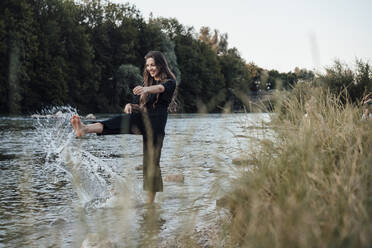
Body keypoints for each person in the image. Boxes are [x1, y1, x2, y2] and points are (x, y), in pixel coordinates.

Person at [71, 51, 177, 204]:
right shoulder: (148, 83)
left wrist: (146, 89)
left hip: (156, 124)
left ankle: (150, 204)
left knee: (151, 162)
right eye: (147, 66)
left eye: (152, 65)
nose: (150, 68)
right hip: (143, 118)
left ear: (160, 65)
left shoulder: (170, 82)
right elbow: (143, 106)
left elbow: (161, 89)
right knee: (118, 121)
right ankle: (84, 129)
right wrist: (130, 105)